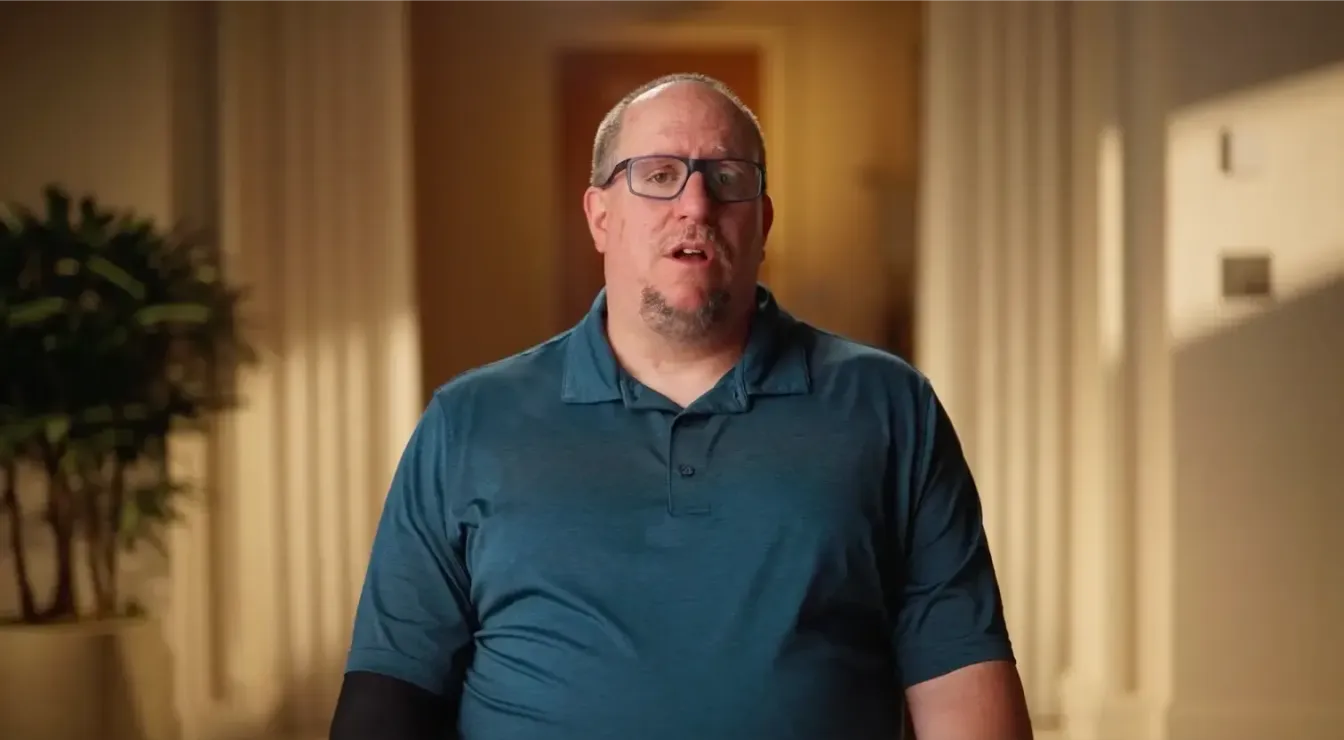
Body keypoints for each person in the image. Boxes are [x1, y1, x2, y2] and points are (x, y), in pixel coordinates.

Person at [330, 73, 1033, 740]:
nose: (695, 205)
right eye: (659, 175)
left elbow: (960, 676)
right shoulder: (469, 421)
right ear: (600, 215)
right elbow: (392, 690)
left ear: (762, 220)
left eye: (726, 179)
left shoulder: (888, 406)